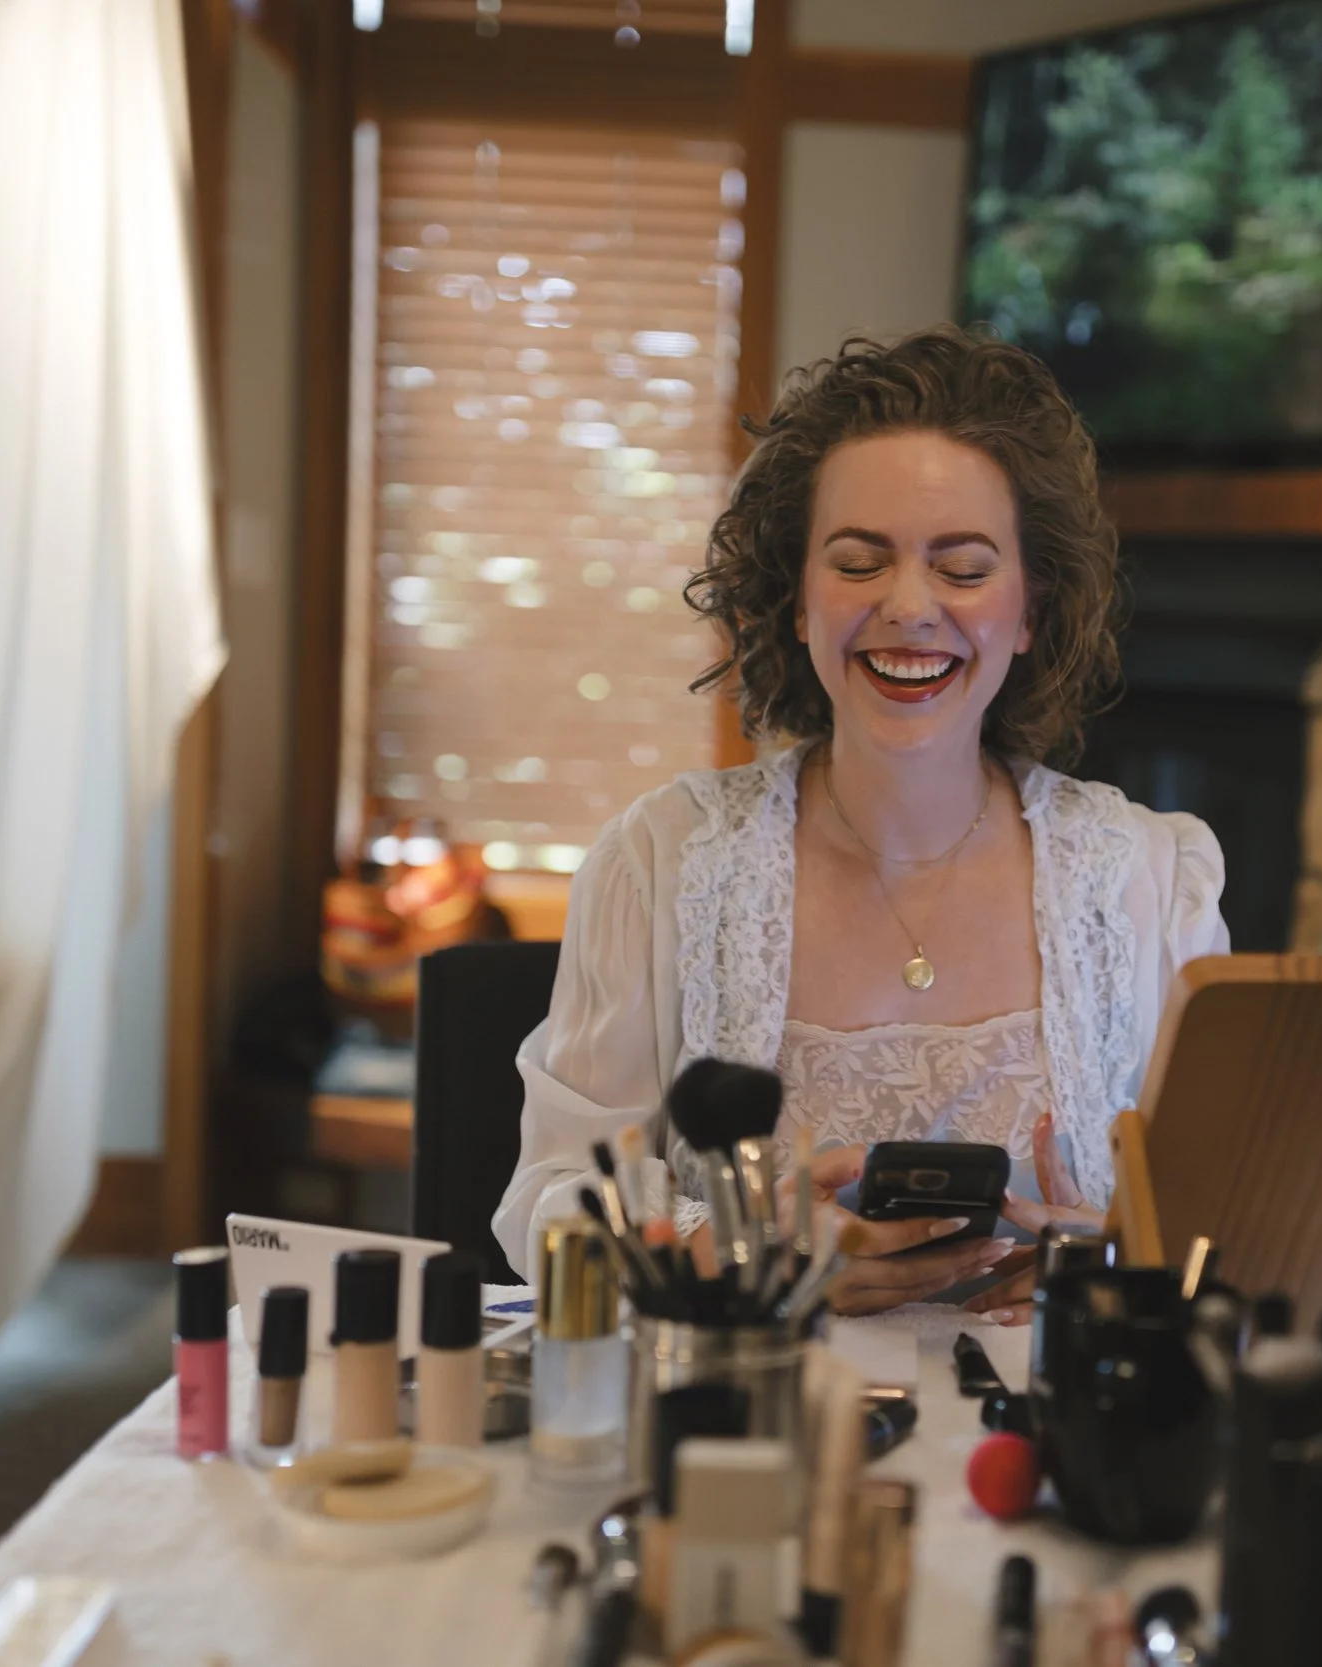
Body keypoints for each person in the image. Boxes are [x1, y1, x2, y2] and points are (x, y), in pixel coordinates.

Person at [490, 326, 1228, 1323]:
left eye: (962, 567)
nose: (909, 605)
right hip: (747, 1433)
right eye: (858, 561)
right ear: (795, 599)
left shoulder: (1154, 880)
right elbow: (550, 1207)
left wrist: (1112, 1262)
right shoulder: (661, 860)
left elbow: (1223, 1226)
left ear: (1028, 612)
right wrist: (742, 1248)